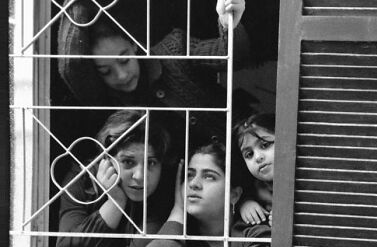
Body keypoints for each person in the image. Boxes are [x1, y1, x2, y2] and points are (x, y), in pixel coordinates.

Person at [57, 0, 252, 146]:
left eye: (124, 60)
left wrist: (228, 24)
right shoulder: (106, 98)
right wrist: (76, 5)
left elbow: (231, 55)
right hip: (193, 183)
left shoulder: (173, 49)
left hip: (248, 143)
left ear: (133, 44)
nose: (121, 75)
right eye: (106, 71)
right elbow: (71, 66)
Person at [139, 140, 270, 247]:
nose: (193, 184)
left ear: (234, 194)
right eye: (189, 175)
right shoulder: (182, 237)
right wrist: (178, 209)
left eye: (209, 177)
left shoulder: (251, 229)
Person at [55, 110, 172, 247]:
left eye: (151, 163)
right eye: (128, 162)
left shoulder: (163, 191)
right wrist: (115, 202)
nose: (139, 176)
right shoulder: (81, 178)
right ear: (106, 160)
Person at [233, 113, 275, 226]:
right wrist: (244, 204)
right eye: (249, 154)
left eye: (265, 145)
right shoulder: (254, 190)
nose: (257, 157)